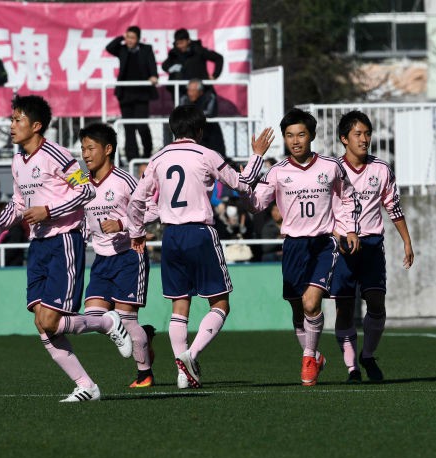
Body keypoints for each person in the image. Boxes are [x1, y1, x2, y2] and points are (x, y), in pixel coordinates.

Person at [0, 95, 133, 402]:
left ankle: (107, 321)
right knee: (42, 323)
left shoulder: (57, 155)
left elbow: (86, 190)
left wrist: (49, 211)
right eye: (11, 119)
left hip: (63, 242)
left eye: (17, 120)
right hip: (38, 245)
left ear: (36, 126)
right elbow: (19, 204)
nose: (11, 125)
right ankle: (87, 386)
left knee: (50, 321)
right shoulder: (17, 160)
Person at [127, 104, 272, 389]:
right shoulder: (206, 154)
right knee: (220, 304)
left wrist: (137, 232)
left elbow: (135, 202)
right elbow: (241, 184)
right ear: (200, 130)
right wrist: (257, 156)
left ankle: (184, 375)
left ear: (172, 130)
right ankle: (190, 357)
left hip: (170, 237)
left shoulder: (157, 158)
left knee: (179, 308)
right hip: (200, 233)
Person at [244, 108, 360, 387]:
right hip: (293, 246)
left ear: (312, 136)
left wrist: (350, 228)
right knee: (298, 311)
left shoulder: (331, 167)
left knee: (311, 302)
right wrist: (253, 163)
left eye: (301, 135)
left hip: (323, 243)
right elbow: (255, 204)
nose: (295, 141)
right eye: (289, 136)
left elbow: (348, 197)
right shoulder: (277, 172)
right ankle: (315, 355)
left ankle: (308, 358)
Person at [331, 111, 414, 384]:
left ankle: (367, 355)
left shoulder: (381, 169)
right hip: (342, 246)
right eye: (358, 134)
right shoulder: (332, 170)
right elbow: (324, 211)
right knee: (344, 308)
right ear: (344, 138)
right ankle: (351, 367)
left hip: (372, 244)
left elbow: (393, 206)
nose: (364, 139)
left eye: (367, 133)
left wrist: (406, 240)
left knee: (376, 303)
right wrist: (338, 236)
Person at [78, 122, 157, 388]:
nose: (85, 154)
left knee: (126, 320)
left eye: (91, 148)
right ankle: (144, 337)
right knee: (94, 317)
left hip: (129, 256)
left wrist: (122, 224)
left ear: (108, 149)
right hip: (101, 260)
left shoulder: (124, 181)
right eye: (82, 148)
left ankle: (144, 373)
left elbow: (153, 210)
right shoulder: (81, 183)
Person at [105, 26, 158, 162]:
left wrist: (153, 76)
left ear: (138, 39)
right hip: (125, 93)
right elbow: (109, 47)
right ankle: (131, 156)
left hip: (141, 93)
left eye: (133, 38)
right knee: (129, 127)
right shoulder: (122, 49)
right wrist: (121, 37)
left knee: (141, 125)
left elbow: (152, 65)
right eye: (128, 37)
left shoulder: (146, 49)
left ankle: (147, 152)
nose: (130, 40)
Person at [162, 28, 223, 100]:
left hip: (200, 91)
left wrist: (215, 75)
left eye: (182, 43)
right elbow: (165, 66)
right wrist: (172, 68)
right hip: (181, 92)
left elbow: (218, 58)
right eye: (178, 43)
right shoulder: (174, 53)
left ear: (188, 41)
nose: (180, 46)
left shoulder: (198, 50)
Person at [180, 78, 226, 156]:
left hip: (209, 132)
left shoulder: (210, 97)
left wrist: (191, 115)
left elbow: (209, 113)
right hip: (191, 133)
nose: (190, 93)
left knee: (215, 155)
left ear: (200, 91)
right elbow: (181, 113)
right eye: (189, 90)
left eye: (193, 91)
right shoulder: (184, 99)